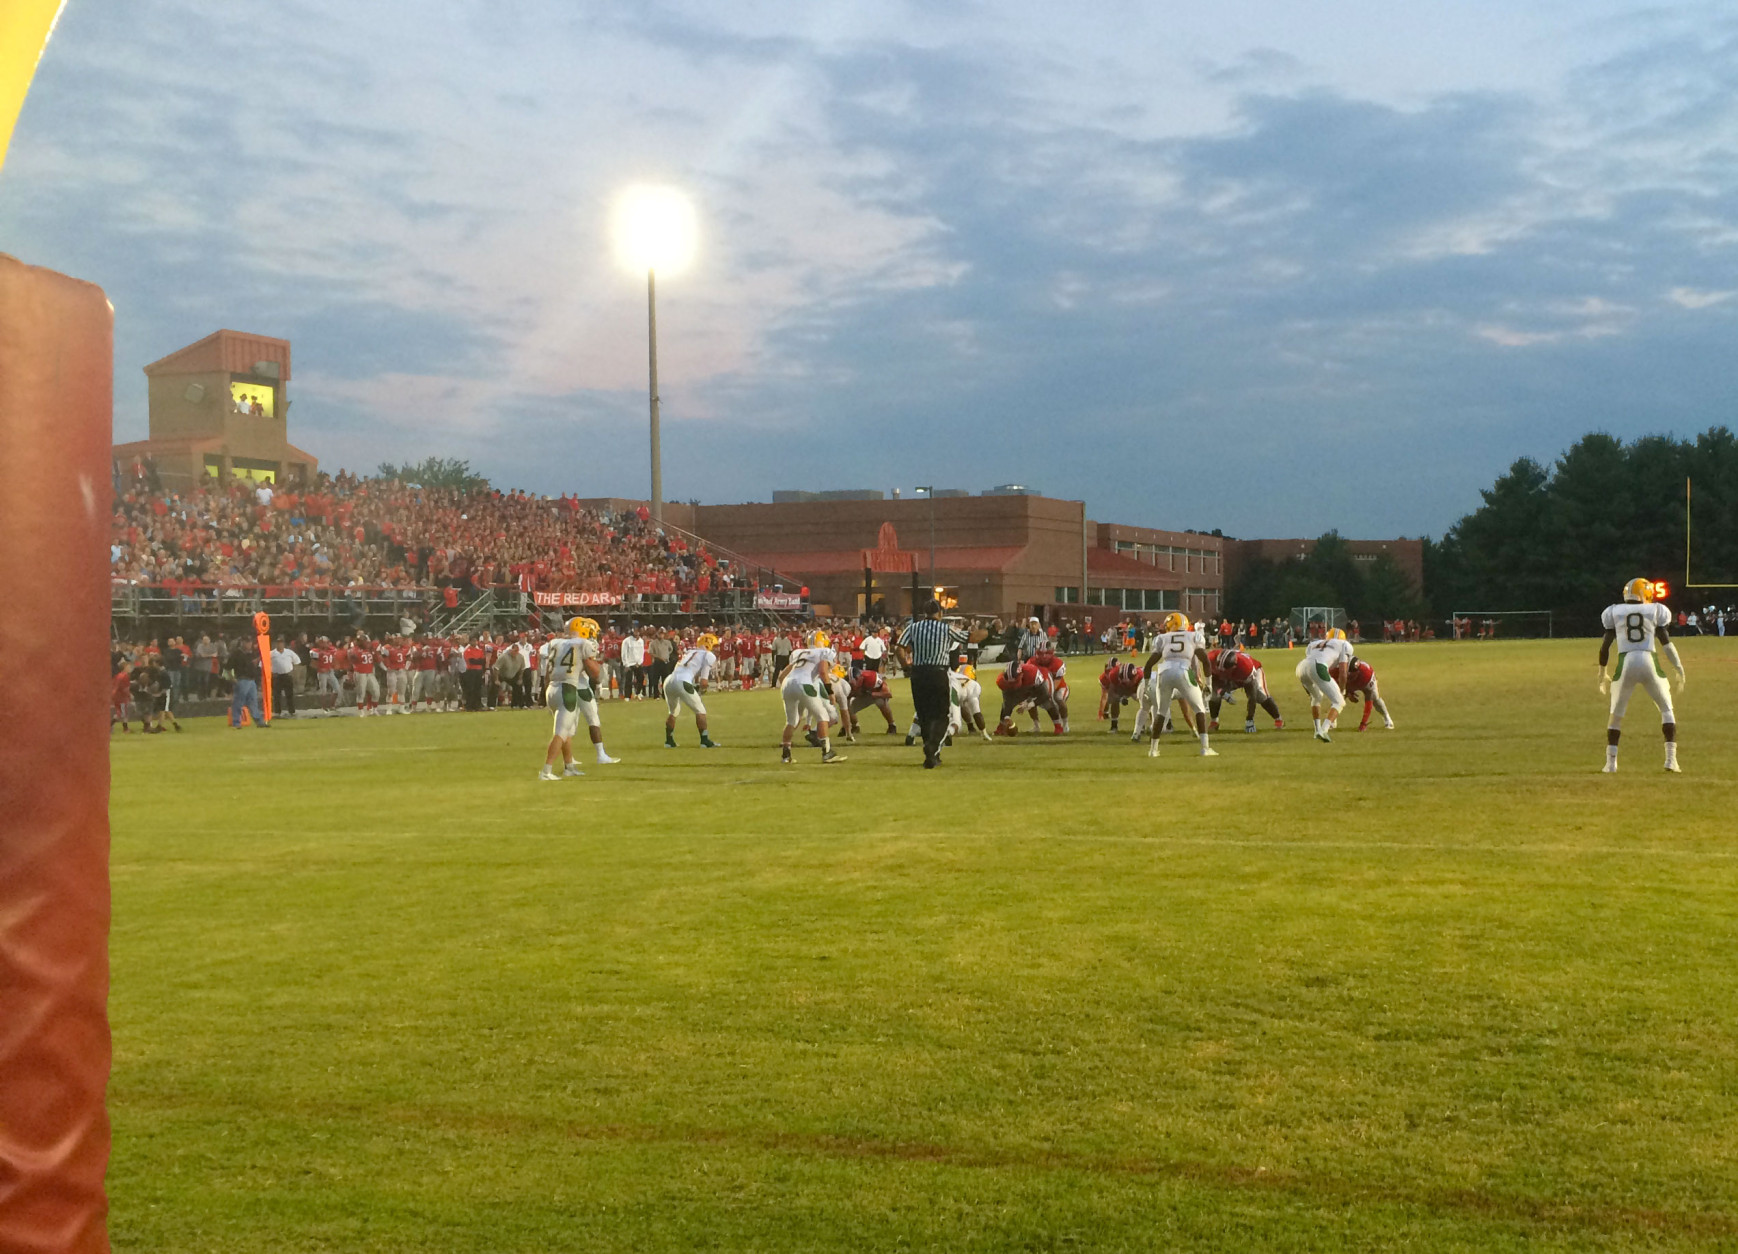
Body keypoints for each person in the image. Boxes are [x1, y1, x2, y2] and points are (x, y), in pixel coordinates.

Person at [1598, 577, 1686, 773]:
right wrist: (1678, 667)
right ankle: (1671, 760)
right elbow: (1666, 643)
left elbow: (1605, 646)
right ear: (1644, 594)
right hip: (1648, 660)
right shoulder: (1655, 610)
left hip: (1626, 661)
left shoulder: (1613, 611)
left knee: (1616, 715)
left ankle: (1610, 764)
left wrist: (1602, 672)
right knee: (1666, 709)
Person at [537, 617, 619, 780]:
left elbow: (547, 671)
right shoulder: (583, 644)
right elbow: (595, 675)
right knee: (560, 732)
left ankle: (569, 766)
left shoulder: (555, 643)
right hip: (567, 688)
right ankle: (546, 771)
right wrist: (597, 668)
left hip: (551, 688)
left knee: (566, 731)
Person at [897, 599, 968, 768]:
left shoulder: (913, 628)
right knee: (942, 715)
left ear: (924, 613)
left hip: (919, 674)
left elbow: (899, 647)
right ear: (940, 613)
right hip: (938, 673)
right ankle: (933, 746)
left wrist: (906, 666)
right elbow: (966, 637)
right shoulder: (945, 628)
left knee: (924, 715)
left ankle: (932, 753)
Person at [1140, 611, 1217, 758]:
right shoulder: (1194, 636)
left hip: (1164, 672)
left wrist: (1146, 684)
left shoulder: (1162, 638)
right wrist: (1209, 683)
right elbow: (1205, 661)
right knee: (1199, 709)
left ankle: (1153, 750)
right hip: (1184, 670)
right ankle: (1205, 748)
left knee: (1161, 712)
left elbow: (1149, 665)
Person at [776, 630, 846, 764]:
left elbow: (781, 676)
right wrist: (830, 693)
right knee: (823, 716)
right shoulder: (824, 652)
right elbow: (823, 672)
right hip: (804, 683)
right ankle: (827, 753)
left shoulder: (799, 652)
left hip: (787, 684)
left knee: (792, 721)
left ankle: (786, 755)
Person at [1207, 645, 1284, 733]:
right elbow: (1211, 680)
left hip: (1251, 673)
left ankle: (1278, 719)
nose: (1222, 671)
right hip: (1231, 677)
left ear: (1234, 666)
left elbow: (1252, 695)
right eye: (1219, 668)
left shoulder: (1245, 667)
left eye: (1225, 670)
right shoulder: (1210, 658)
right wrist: (1221, 691)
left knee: (1261, 695)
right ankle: (1214, 722)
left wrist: (1249, 719)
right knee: (1214, 695)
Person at [664, 632, 721, 748]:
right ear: (709, 644)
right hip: (683, 681)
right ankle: (704, 741)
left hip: (669, 680)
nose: (717, 649)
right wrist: (701, 690)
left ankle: (669, 741)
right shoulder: (708, 655)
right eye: (715, 646)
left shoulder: (689, 652)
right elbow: (704, 682)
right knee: (700, 710)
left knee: (673, 712)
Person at [1296, 627, 1354, 742]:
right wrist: (1342, 691)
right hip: (1318, 667)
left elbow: (1310, 660)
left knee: (1316, 697)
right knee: (1339, 702)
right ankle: (1324, 730)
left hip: (1300, 668)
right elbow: (1343, 672)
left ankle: (1317, 730)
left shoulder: (1314, 643)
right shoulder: (1344, 645)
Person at [228, 636, 267, 729]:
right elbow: (228, 668)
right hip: (242, 679)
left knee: (253, 701)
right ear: (242, 643)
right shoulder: (236, 654)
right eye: (247, 642)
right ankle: (236, 722)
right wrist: (232, 679)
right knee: (239, 701)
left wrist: (257, 661)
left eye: (250, 642)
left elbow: (253, 665)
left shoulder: (251, 654)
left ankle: (258, 721)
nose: (249, 644)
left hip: (251, 680)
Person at [270, 640, 301, 717]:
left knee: (289, 694)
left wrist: (294, 673)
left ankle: (291, 711)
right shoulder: (271, 653)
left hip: (287, 675)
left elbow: (297, 661)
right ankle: (277, 712)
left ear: (283, 644)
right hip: (277, 676)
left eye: (281, 643)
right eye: (278, 643)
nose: (280, 645)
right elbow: (263, 664)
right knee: (277, 695)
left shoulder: (289, 652)